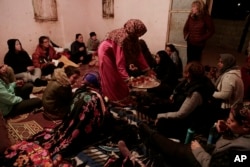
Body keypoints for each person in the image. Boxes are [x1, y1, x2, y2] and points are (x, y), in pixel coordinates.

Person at [2, 71, 112, 166]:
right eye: (74, 77)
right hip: (53, 111)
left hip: (53, 111)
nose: (76, 80)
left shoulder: (78, 90)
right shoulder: (91, 96)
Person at [139, 102, 250, 167]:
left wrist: (198, 150)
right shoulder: (244, 133)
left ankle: (149, 134)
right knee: (179, 148)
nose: (227, 121)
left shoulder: (244, 151)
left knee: (175, 149)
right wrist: (227, 130)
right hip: (215, 154)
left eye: (232, 120)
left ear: (245, 126)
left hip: (209, 161)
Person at [98, 19, 155, 106]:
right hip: (106, 53)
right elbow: (120, 62)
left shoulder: (133, 36)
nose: (139, 36)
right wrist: (128, 79)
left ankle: (123, 96)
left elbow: (139, 54)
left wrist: (147, 70)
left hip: (114, 52)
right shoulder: (122, 38)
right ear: (134, 30)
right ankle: (113, 99)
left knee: (120, 77)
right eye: (139, 34)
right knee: (113, 77)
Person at [155, 61, 217, 141]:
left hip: (189, 122)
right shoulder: (194, 81)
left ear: (189, 74)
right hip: (182, 110)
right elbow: (178, 89)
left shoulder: (196, 93)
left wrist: (160, 116)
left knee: (161, 123)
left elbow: (181, 114)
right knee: (160, 104)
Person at [213, 53, 244, 120]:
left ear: (228, 63)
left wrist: (211, 93)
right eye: (219, 61)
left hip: (228, 109)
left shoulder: (229, 76)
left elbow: (225, 95)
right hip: (231, 108)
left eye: (221, 62)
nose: (218, 64)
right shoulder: (231, 74)